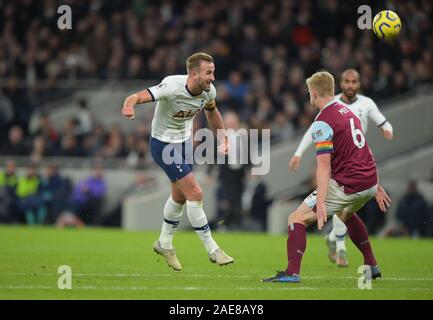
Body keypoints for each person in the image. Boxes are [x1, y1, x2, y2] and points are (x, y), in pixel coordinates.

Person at [263, 71, 391, 283]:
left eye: (309, 94)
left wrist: (320, 201)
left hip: (347, 183)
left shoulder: (322, 121)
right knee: (346, 213)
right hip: (367, 180)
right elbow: (362, 148)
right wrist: (375, 185)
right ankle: (372, 264)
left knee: (296, 218)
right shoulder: (348, 112)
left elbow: (324, 166)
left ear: (313, 93)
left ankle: (292, 273)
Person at [121, 52, 234, 271]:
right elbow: (134, 97)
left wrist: (223, 137)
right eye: (208, 72)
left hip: (184, 144)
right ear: (193, 74)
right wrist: (129, 106)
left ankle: (164, 243)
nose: (212, 77)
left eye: (213, 72)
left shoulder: (208, 91)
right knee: (196, 193)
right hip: (163, 145)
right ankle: (213, 249)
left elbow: (212, 111)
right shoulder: (171, 86)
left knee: (180, 196)